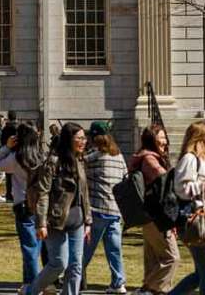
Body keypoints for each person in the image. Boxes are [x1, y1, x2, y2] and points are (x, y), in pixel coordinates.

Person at [28, 122, 91, 295]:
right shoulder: (53, 162)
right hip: (55, 221)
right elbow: (43, 193)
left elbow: (84, 193)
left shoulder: (80, 161)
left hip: (77, 220)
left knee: (76, 265)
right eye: (79, 138)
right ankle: (31, 291)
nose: (83, 141)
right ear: (68, 139)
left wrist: (88, 221)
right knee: (58, 264)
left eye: (84, 138)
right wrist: (41, 223)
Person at [169, 121, 205, 295]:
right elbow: (181, 189)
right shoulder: (189, 159)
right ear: (200, 140)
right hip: (194, 220)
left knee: (202, 273)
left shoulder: (203, 161)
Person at [0, 121, 44, 291]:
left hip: (22, 204)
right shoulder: (42, 157)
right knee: (37, 246)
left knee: (29, 248)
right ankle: (29, 282)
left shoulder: (16, 157)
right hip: (41, 204)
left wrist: (6, 147)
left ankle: (35, 285)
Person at [130, 124, 179, 295]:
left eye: (165, 137)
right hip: (157, 216)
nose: (165, 141)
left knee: (153, 258)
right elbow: (165, 181)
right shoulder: (150, 159)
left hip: (149, 215)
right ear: (152, 139)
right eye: (161, 137)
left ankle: (148, 289)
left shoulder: (145, 157)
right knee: (172, 257)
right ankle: (149, 289)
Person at [81, 121, 127, 294]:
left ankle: (72, 277)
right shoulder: (119, 156)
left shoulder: (94, 156)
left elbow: (79, 167)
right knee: (114, 249)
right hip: (116, 211)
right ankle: (118, 282)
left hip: (97, 209)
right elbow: (125, 177)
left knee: (86, 249)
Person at [2, 111, 19, 203]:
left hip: (7, 153)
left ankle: (9, 194)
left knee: (8, 175)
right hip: (15, 153)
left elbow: (2, 141)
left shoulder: (5, 129)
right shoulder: (17, 128)